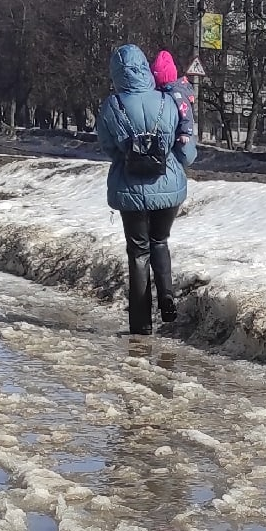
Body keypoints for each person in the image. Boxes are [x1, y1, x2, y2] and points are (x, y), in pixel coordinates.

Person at [98, 43, 197, 336]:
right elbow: (182, 146)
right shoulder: (167, 100)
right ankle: (167, 294)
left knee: (138, 253)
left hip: (130, 189)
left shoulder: (112, 105)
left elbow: (107, 147)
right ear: (144, 68)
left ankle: (141, 325)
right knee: (160, 241)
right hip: (168, 185)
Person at [152, 50, 195, 130]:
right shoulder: (167, 90)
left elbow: (186, 113)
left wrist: (185, 132)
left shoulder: (177, 93)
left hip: (180, 134)